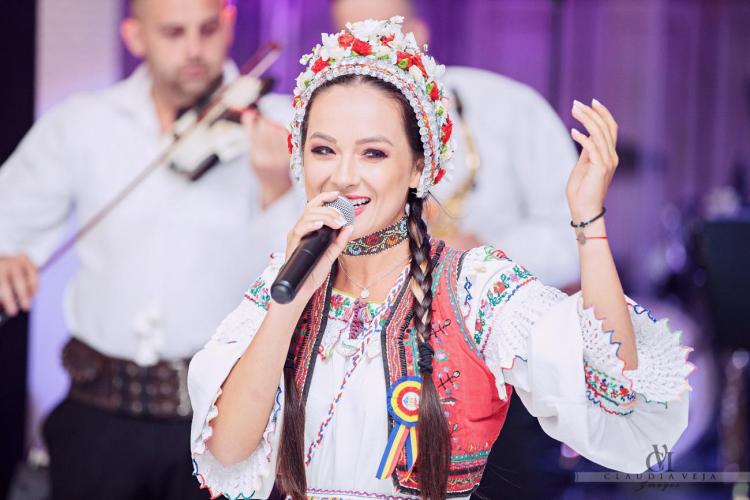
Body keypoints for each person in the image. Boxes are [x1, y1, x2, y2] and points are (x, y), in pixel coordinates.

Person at [188, 18, 693, 500]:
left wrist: (588, 222)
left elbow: (616, 393)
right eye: (324, 150)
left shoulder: (473, 286)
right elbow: (228, 452)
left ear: (418, 167)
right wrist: (289, 302)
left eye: (373, 154)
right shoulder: (285, 280)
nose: (342, 176)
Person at [0, 0, 298, 498]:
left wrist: (277, 190)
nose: (194, 49)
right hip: (98, 416)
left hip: (225, 423)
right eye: (173, 33)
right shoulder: (83, 122)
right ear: (135, 37)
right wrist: (7, 254)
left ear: (228, 25)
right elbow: (7, 218)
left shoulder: (282, 126)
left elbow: (310, 279)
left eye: (208, 29)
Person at [331, 0, 580, 289]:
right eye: (348, 40)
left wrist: (484, 254)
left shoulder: (511, 108)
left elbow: (572, 239)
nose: (364, 53)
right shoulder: (331, 128)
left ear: (417, 35)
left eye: (379, 35)